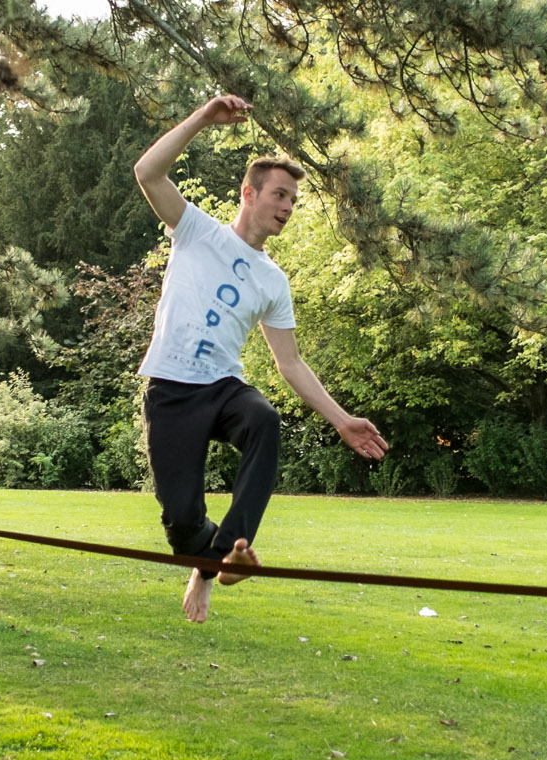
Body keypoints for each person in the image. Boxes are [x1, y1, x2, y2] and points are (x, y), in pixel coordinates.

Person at [132, 94, 390, 623]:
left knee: (264, 419)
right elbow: (147, 171)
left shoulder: (274, 281)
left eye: (294, 199)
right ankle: (207, 560)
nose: (288, 207)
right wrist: (203, 117)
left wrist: (341, 421)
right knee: (181, 523)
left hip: (224, 389)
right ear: (248, 194)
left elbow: (290, 364)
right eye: (279, 194)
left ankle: (230, 551)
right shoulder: (196, 231)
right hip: (171, 391)